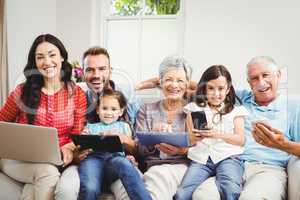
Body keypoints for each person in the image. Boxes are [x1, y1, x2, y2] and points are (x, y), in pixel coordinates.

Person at [192, 56, 300, 200]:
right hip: (230, 164)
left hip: (267, 169)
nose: (261, 83)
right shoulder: (240, 98)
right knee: (203, 196)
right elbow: (206, 86)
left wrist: (281, 144)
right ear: (249, 83)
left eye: (266, 75)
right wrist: (165, 82)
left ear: (278, 75)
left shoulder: (293, 106)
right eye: (255, 78)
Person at [0, 34, 87, 200]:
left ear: (62, 57)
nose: (47, 62)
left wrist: (69, 148)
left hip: (56, 161)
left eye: (52, 55)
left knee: (33, 189)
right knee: (48, 173)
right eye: (40, 57)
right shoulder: (21, 92)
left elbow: (76, 134)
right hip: (17, 159)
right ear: (35, 62)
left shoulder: (77, 94)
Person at [55, 46, 141, 200]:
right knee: (70, 190)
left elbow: (138, 149)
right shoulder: (78, 99)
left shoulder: (130, 101)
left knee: (130, 187)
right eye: (90, 70)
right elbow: (72, 139)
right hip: (89, 162)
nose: (96, 75)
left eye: (102, 69)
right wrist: (74, 156)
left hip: (119, 161)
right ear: (82, 72)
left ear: (110, 70)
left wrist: (126, 145)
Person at [174, 65, 247, 200]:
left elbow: (240, 140)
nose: (216, 93)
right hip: (201, 159)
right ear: (204, 89)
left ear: (228, 89)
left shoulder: (236, 111)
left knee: (231, 189)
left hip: (229, 157)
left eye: (221, 89)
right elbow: (189, 140)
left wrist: (217, 134)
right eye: (211, 88)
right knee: (181, 194)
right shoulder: (194, 109)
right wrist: (195, 137)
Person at [134, 55, 192, 200]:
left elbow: (204, 148)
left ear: (187, 84)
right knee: (155, 175)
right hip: (152, 165)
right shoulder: (146, 109)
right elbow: (138, 148)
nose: (174, 85)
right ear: (160, 82)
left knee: (158, 176)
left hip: (183, 167)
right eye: (168, 79)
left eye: (180, 80)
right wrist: (152, 137)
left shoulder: (195, 111)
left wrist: (183, 150)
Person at [78, 89, 151, 200]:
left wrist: (130, 157)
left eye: (113, 109)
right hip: (93, 159)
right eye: (104, 108)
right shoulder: (90, 126)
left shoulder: (124, 126)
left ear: (121, 111)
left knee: (124, 163)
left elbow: (131, 149)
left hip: (115, 159)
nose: (108, 112)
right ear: (97, 110)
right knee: (90, 187)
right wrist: (84, 137)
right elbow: (81, 147)